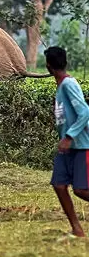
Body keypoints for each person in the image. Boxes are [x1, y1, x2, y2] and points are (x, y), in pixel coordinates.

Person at [46, 47, 89, 237]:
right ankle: (77, 229)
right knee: (59, 184)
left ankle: (77, 228)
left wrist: (69, 136)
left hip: (80, 145)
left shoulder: (69, 84)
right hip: (67, 147)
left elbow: (85, 112)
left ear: (48, 67)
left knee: (80, 189)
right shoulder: (61, 85)